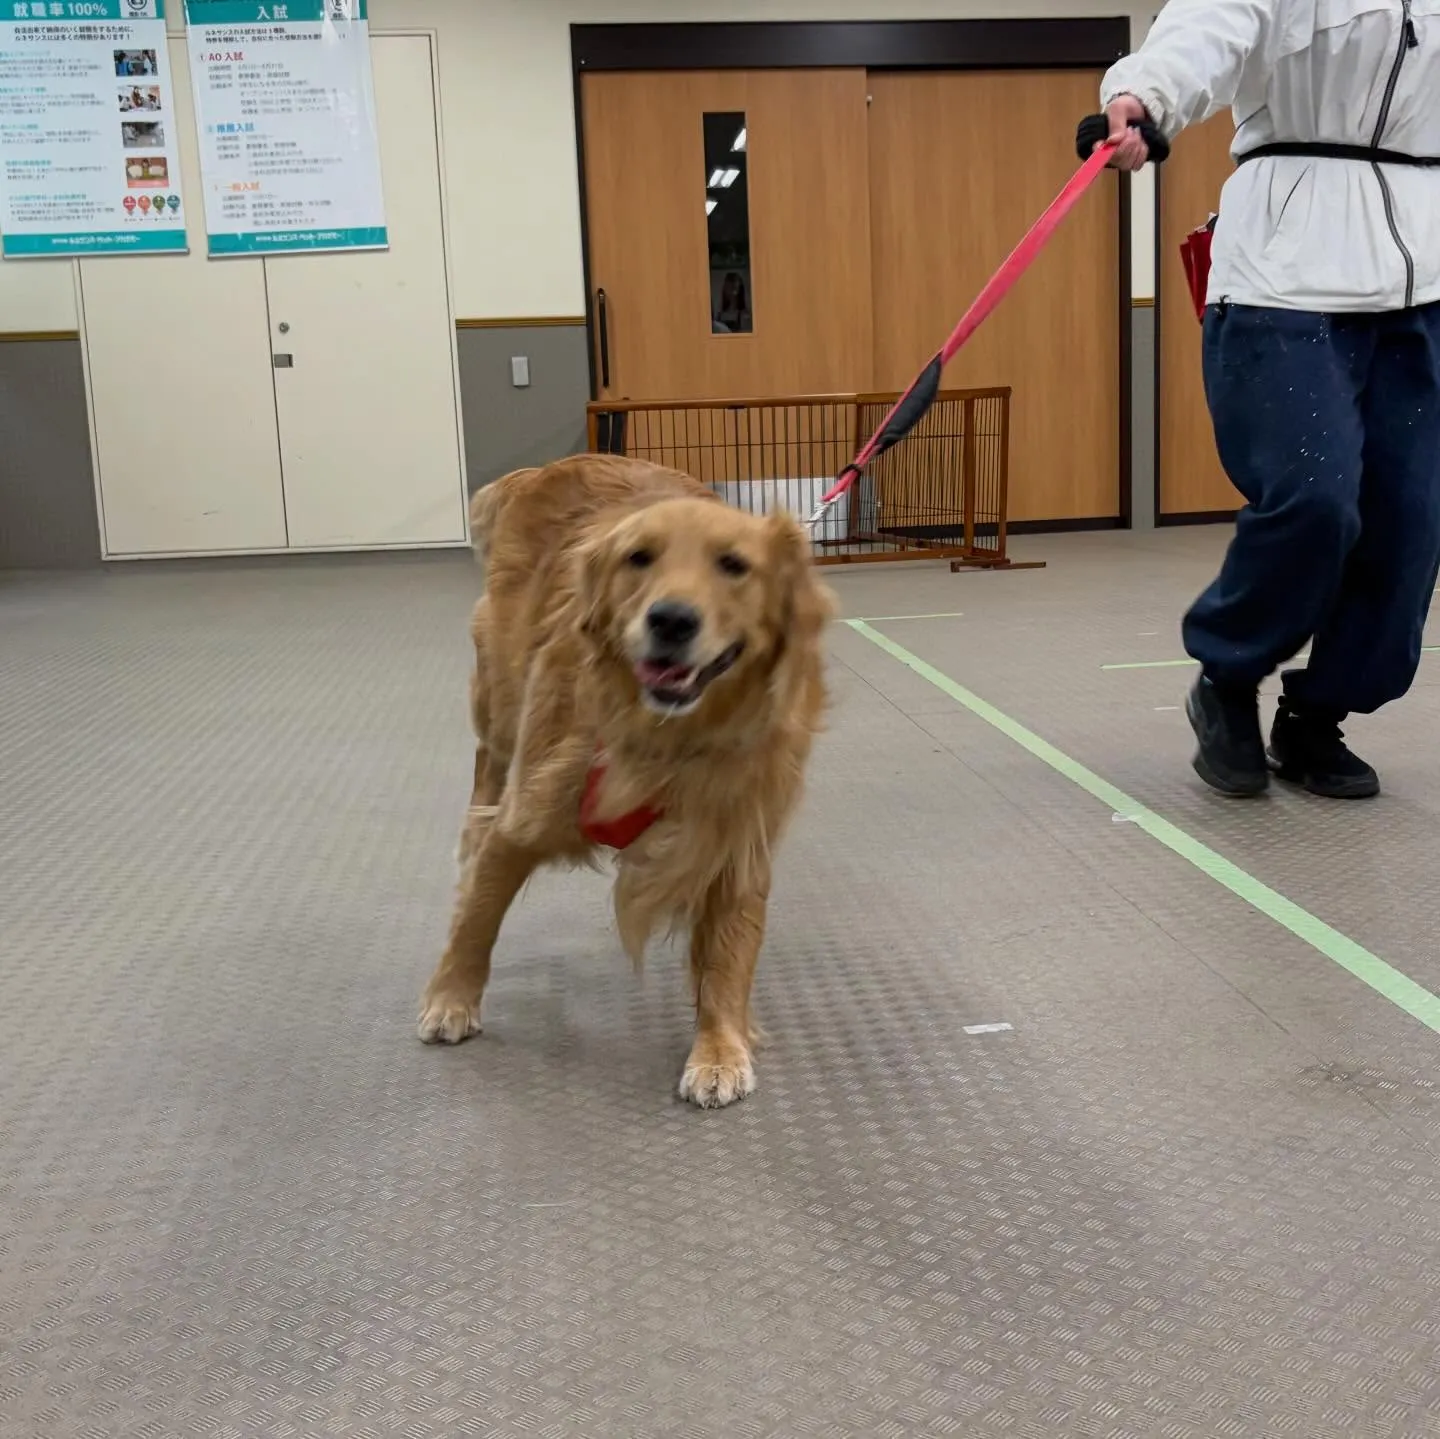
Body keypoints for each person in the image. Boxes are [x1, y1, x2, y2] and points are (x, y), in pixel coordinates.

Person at [1096, 0, 1440, 800]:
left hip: (1422, 279)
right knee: (1316, 499)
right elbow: (1211, 23)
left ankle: (1316, 714)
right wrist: (1147, 95)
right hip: (1284, 273)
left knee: (1410, 528)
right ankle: (1227, 674)